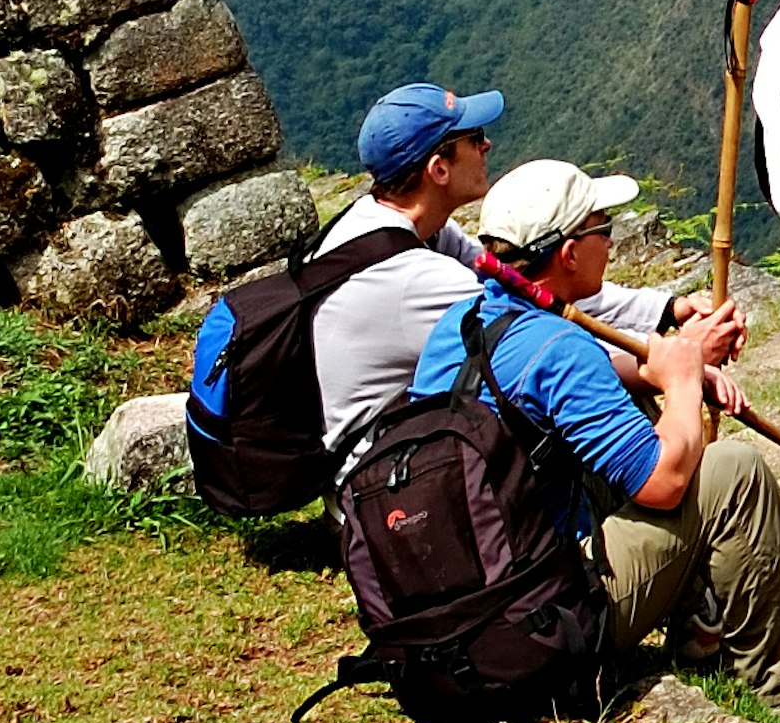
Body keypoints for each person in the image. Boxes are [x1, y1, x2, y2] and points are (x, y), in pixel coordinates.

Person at [405, 157, 780, 723]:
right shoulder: (556, 349)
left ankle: (701, 622)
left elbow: (564, 383)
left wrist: (657, 372)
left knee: (638, 412)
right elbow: (663, 484)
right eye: (602, 230)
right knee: (734, 473)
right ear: (568, 254)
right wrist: (685, 383)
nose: (610, 244)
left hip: (475, 610)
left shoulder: (464, 323)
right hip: (544, 625)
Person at [308, 80, 727, 457]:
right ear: (439, 169)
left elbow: (528, 282)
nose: (487, 145)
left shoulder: (394, 226)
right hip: (402, 484)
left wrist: (669, 310)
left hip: (426, 441)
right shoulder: (415, 280)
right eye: (474, 138)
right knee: (602, 401)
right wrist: (675, 360)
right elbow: (551, 348)